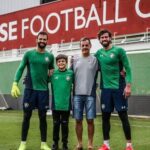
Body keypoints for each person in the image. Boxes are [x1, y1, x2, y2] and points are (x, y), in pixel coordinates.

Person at [11, 31, 54, 150]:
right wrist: (15, 82)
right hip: (30, 91)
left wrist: (49, 79)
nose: (42, 41)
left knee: (43, 117)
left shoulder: (50, 57)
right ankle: (23, 143)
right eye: (40, 39)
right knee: (26, 117)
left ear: (47, 41)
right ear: (37, 40)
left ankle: (43, 143)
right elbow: (20, 68)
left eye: (44, 39)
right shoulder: (28, 54)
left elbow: (51, 73)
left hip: (43, 91)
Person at [95, 29, 133, 150]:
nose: (104, 39)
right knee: (105, 117)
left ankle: (129, 145)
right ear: (99, 40)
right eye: (102, 38)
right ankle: (106, 144)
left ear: (110, 38)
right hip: (105, 90)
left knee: (123, 116)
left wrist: (128, 86)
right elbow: (91, 65)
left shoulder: (119, 51)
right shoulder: (98, 53)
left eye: (106, 37)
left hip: (119, 88)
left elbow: (128, 68)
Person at [71, 37, 98, 150]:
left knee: (90, 120)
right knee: (78, 120)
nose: (85, 47)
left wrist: (121, 70)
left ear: (90, 46)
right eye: (83, 45)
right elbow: (68, 74)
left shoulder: (95, 60)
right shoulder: (75, 60)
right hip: (77, 94)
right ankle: (80, 143)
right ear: (80, 46)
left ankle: (90, 144)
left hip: (90, 94)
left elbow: (107, 68)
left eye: (87, 45)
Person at [49, 54, 73, 150]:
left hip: (66, 104)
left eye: (63, 61)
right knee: (55, 124)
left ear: (66, 62)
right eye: (59, 61)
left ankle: (65, 144)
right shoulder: (53, 74)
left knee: (65, 125)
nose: (61, 63)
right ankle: (55, 143)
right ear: (56, 63)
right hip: (55, 104)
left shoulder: (71, 73)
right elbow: (42, 79)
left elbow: (78, 81)